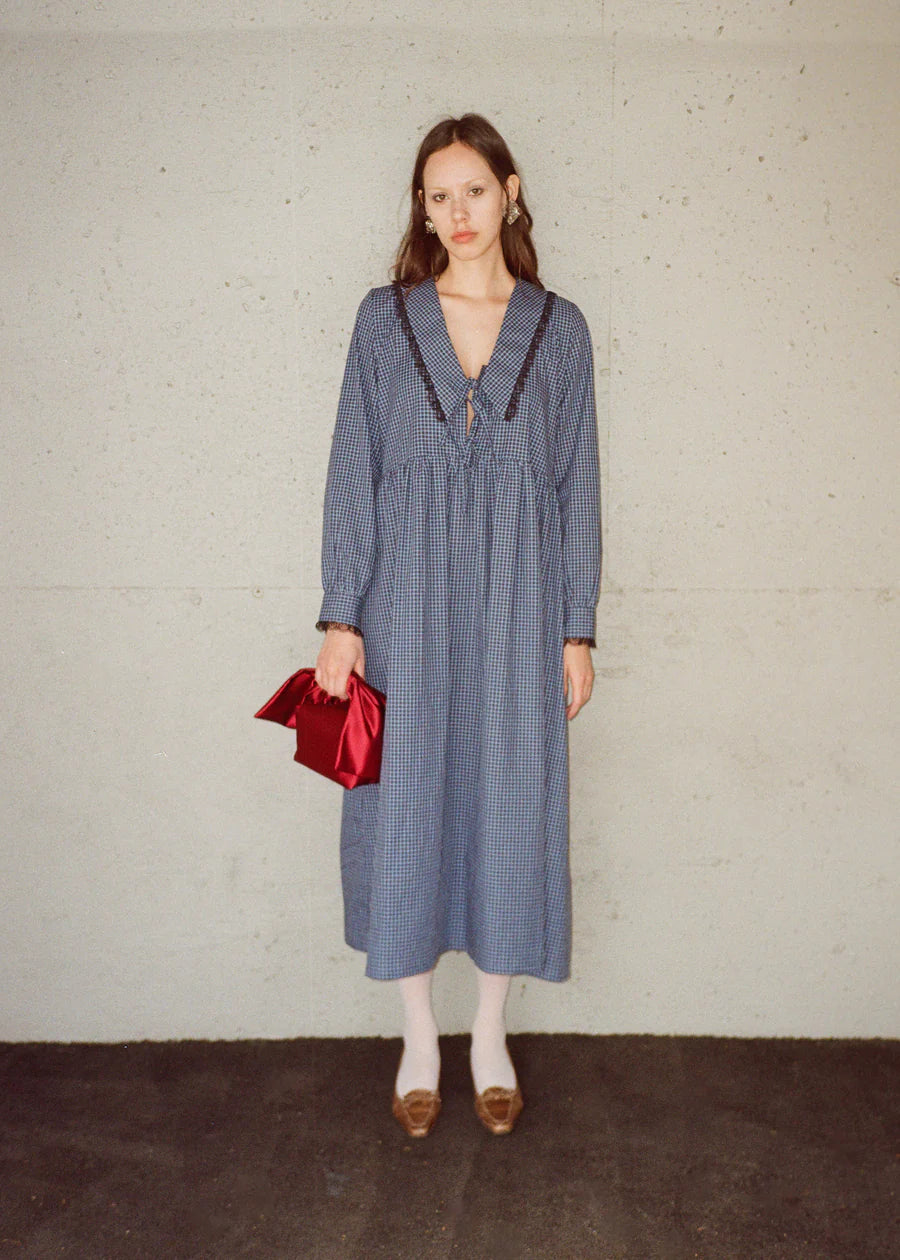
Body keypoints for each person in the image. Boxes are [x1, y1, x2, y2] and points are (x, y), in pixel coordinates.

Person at [314, 113, 601, 1138]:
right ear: (422, 209)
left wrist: (576, 627)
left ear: (510, 192)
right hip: (403, 603)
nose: (457, 212)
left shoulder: (559, 330)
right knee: (404, 807)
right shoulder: (383, 322)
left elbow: (577, 485)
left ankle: (487, 1034)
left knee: (511, 808)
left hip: (522, 605)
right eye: (437, 196)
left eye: (473, 190)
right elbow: (353, 471)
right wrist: (342, 615)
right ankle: (416, 1039)